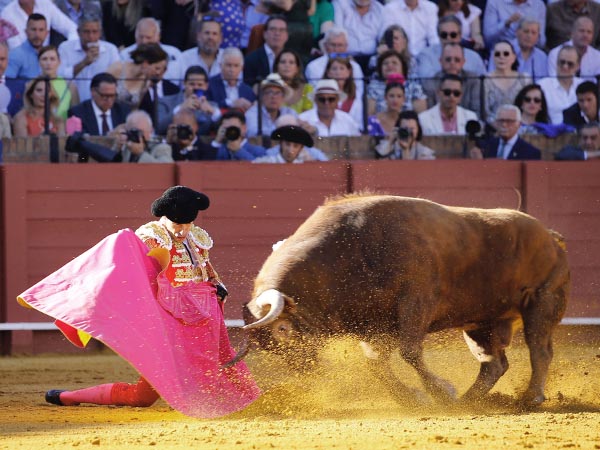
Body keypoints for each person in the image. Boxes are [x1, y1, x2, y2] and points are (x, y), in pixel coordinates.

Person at [31, 185, 260, 417]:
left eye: (187, 224)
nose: (182, 231)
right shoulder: (148, 238)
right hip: (170, 321)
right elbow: (129, 275)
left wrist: (217, 285)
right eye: (177, 225)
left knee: (222, 362)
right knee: (142, 397)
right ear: (165, 218)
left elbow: (202, 268)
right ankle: (68, 397)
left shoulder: (196, 237)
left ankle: (246, 402)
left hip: (204, 316)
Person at [57, 13, 120, 102]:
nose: (91, 36)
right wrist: (84, 63)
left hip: (101, 103)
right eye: (86, 32)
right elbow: (59, 75)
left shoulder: (110, 50)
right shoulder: (65, 48)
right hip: (72, 102)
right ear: (78, 32)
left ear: (100, 33)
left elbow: (116, 78)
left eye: (95, 32)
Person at [414, 15, 486, 80]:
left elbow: (483, 83)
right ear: (438, 36)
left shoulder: (474, 58)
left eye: (453, 35)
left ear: (460, 36)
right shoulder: (426, 55)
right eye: (444, 35)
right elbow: (427, 82)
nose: (449, 38)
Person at [107, 43, 174, 112]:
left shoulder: (146, 82)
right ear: (145, 63)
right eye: (156, 68)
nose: (158, 73)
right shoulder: (118, 68)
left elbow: (135, 108)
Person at [119, 18, 184, 87]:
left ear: (158, 36)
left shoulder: (174, 53)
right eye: (141, 37)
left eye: (148, 37)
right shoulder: (125, 54)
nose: (144, 41)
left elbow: (183, 82)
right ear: (135, 35)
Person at [157, 65, 220, 136]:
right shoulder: (165, 102)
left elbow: (220, 130)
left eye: (200, 85)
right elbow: (159, 128)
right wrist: (180, 108)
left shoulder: (212, 106)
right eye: (192, 84)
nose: (196, 87)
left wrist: (214, 114)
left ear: (206, 86)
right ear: (184, 83)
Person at [421, 42, 481, 115]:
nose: (452, 63)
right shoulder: (430, 82)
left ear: (463, 62)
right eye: (448, 59)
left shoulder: (474, 81)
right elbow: (430, 113)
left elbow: (477, 112)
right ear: (441, 61)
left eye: (457, 60)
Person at [304, 26, 365, 96]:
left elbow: (358, 95)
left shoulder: (355, 67)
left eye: (340, 45)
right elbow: (313, 94)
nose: (336, 49)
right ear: (325, 46)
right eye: (333, 45)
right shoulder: (313, 66)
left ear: (346, 46)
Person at [483, 39, 531, 124]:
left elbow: (528, 108)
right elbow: (485, 112)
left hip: (520, 126)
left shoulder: (525, 79)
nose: (501, 57)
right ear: (493, 58)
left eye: (506, 54)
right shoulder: (485, 80)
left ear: (513, 57)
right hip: (493, 127)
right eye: (497, 54)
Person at [67, 72, 130, 136]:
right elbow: (81, 141)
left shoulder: (122, 110)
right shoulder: (78, 113)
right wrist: (109, 136)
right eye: (105, 96)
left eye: (113, 96)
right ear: (93, 92)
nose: (109, 100)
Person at [470, 104, 541, 160]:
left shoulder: (530, 152)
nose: (504, 125)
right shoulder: (485, 147)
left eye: (509, 121)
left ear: (519, 124)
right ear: (496, 122)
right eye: (501, 121)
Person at [367, 50, 427, 115]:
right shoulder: (373, 87)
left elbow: (421, 115)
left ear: (403, 68)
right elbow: (369, 114)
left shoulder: (413, 86)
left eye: (394, 63)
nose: (389, 65)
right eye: (385, 63)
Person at [0, 0, 77, 50]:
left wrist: (65, 49)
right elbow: (15, 48)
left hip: (48, 60)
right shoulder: (7, 14)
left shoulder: (46, 4)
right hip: (22, 64)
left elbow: (72, 29)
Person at [538, 45, 583, 123]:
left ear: (577, 66)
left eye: (570, 64)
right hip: (550, 132)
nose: (565, 66)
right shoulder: (542, 86)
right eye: (562, 62)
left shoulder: (583, 85)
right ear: (556, 63)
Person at [332, 0, 384, 67]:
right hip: (345, 58)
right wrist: (345, 57)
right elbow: (338, 34)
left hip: (372, 59)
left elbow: (382, 38)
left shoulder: (380, 9)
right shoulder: (340, 4)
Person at [245, 72, 296, 137]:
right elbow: (252, 132)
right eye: (269, 92)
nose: (273, 97)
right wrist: (281, 131)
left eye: (277, 93)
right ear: (262, 96)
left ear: (283, 97)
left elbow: (296, 131)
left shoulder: (289, 112)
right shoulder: (253, 112)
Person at [243, 14, 288, 88]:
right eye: (273, 29)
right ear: (265, 34)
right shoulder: (251, 60)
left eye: (282, 30)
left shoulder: (293, 59)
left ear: (287, 36)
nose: (277, 33)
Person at [206, 47, 256, 112]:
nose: (232, 70)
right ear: (220, 66)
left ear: (242, 68)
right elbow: (208, 107)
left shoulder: (248, 91)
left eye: (236, 66)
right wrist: (231, 103)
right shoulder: (209, 85)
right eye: (228, 65)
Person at [482, 0, 546, 49]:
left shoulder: (539, 5)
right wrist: (506, 24)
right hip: (503, 51)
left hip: (529, 51)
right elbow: (488, 38)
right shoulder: (494, 2)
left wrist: (530, 32)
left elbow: (541, 42)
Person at [37, 45, 79, 120]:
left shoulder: (69, 85)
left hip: (63, 129)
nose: (48, 63)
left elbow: (76, 114)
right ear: (39, 62)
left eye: (52, 59)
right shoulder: (31, 84)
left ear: (59, 62)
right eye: (44, 59)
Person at [323, 55, 363, 131]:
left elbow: (359, 120)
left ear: (348, 72)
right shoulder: (320, 94)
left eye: (342, 68)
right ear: (328, 73)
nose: (338, 72)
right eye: (334, 69)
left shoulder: (357, 95)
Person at [253, 124, 328, 163]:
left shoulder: (304, 166)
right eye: (287, 144)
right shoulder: (266, 162)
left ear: (301, 148)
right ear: (281, 144)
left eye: (296, 146)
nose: (290, 150)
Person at [180, 15, 223, 79]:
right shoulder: (184, 58)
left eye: (214, 34)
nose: (210, 37)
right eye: (207, 33)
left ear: (220, 38)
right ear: (198, 36)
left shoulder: (227, 58)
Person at [5, 13, 46, 80]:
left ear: (47, 33)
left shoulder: (51, 55)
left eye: (41, 30)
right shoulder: (15, 55)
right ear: (26, 32)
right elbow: (9, 84)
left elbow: (59, 84)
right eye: (33, 29)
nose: (37, 34)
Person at [274, 48, 313, 113]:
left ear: (297, 68)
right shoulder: (269, 88)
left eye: (291, 62)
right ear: (277, 67)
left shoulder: (307, 89)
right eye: (283, 62)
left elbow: (308, 115)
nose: (287, 65)